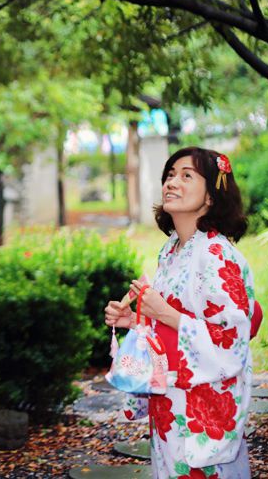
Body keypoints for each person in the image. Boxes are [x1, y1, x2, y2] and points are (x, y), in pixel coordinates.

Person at [105, 147, 257, 479]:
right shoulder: (172, 250)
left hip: (202, 405)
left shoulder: (218, 254)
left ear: (211, 196)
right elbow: (170, 320)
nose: (173, 182)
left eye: (187, 175)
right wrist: (135, 320)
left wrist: (166, 313)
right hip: (171, 403)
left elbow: (230, 338)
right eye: (170, 175)